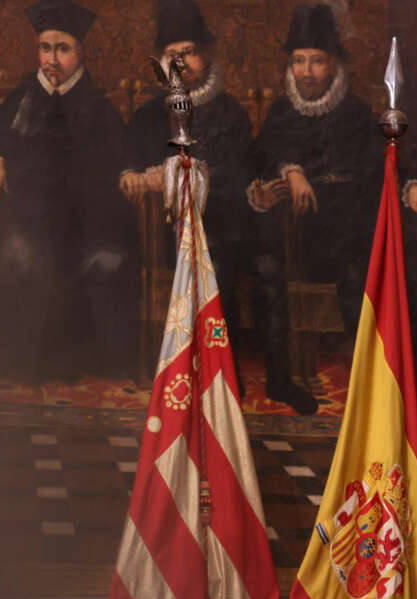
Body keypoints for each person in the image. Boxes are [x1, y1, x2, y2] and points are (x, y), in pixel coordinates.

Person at [120, 0, 317, 415]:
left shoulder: (230, 111)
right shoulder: (147, 116)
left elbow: (240, 171)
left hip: (233, 222)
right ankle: (225, 376)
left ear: (205, 55)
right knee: (216, 265)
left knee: (267, 267)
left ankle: (280, 378)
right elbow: (131, 171)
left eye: (189, 53)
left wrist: (255, 192)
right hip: (176, 232)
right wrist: (142, 177)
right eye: (172, 56)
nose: (182, 63)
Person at [253, 3, 417, 419]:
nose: (306, 71)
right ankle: (281, 379)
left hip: (352, 228)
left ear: (333, 64)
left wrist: (413, 188)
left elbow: (386, 166)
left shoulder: (353, 112)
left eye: (316, 61)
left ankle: (403, 387)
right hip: (298, 233)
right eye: (298, 61)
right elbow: (263, 156)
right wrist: (289, 170)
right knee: (269, 265)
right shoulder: (280, 113)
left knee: (389, 261)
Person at [0, 0, 139, 382]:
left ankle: (75, 361)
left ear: (79, 52)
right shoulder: (22, 97)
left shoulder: (96, 104)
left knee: (95, 260)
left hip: (84, 217)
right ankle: (20, 363)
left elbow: (120, 158)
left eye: (62, 49)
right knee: (20, 256)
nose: (52, 60)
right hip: (29, 212)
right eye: (45, 49)